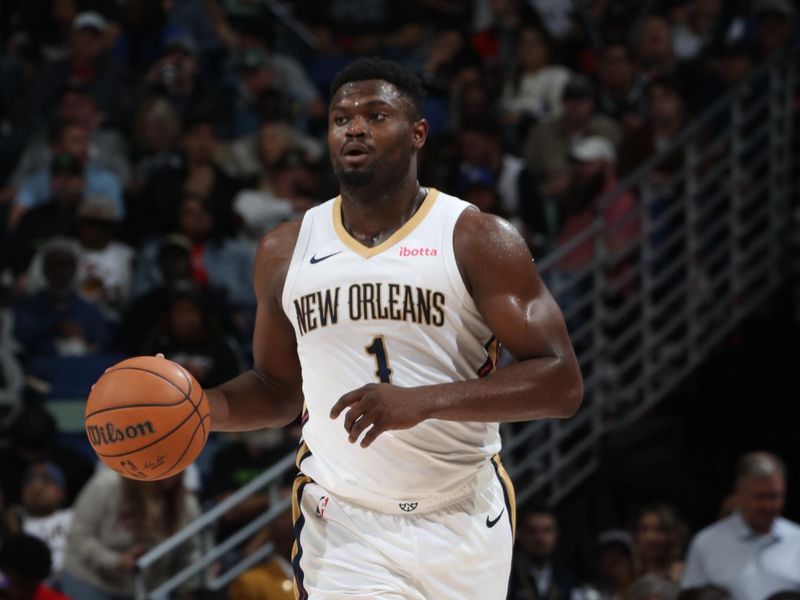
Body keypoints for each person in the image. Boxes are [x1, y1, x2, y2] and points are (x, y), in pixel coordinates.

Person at [204, 57, 583, 598]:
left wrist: (423, 401)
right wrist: (201, 409)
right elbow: (276, 390)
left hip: (463, 513)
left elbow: (562, 384)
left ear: (418, 134)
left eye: (376, 115)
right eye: (341, 119)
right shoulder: (286, 249)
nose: (354, 127)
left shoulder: (476, 238)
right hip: (345, 523)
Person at [681, 451, 800, 600]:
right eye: (760, 497)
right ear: (739, 494)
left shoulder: (797, 540)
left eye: (774, 496)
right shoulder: (706, 544)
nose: (768, 505)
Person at [508, 507, 575, 600]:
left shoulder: (566, 578)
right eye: (532, 531)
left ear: (556, 535)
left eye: (547, 530)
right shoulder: (507, 576)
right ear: (519, 534)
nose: (539, 538)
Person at [633, 503, 688, 582]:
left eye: (658, 530)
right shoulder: (631, 573)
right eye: (644, 530)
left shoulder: (682, 574)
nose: (650, 538)